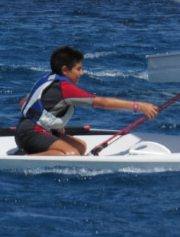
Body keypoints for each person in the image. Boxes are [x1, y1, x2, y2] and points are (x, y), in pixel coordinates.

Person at [15, 46, 159, 156]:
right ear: (65, 70)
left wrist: (52, 125)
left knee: (81, 147)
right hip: (30, 133)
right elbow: (102, 102)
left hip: (28, 130)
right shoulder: (65, 87)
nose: (82, 73)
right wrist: (138, 105)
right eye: (79, 69)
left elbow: (23, 103)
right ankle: (25, 157)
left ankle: (36, 149)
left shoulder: (47, 80)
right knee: (71, 154)